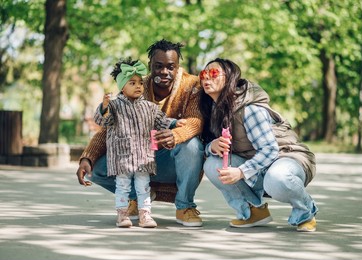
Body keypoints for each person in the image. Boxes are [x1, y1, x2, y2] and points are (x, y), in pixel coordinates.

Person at [76, 39, 205, 227]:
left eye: (170, 67)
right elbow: (112, 126)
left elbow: (195, 120)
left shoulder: (192, 85)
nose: (164, 72)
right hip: (138, 157)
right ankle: (137, 196)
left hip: (172, 158)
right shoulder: (137, 85)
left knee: (193, 146)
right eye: (158, 66)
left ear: (178, 67)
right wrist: (87, 157)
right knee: (95, 168)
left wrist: (176, 135)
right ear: (150, 66)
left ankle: (185, 206)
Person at [198, 58, 318, 232]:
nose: (207, 77)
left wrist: (240, 172)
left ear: (229, 77)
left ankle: (305, 212)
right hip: (257, 164)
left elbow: (270, 150)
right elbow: (209, 147)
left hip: (286, 157)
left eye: (214, 73)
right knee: (212, 164)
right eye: (203, 74)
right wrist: (212, 146)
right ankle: (253, 211)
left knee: (277, 178)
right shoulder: (213, 110)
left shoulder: (249, 109)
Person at [94, 58, 184, 228]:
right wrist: (104, 107)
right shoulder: (114, 106)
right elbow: (102, 121)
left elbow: (161, 121)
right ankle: (122, 215)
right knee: (123, 187)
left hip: (144, 157)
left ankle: (145, 215)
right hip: (122, 157)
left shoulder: (149, 107)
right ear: (122, 86)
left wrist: (175, 123)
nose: (138, 86)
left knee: (144, 187)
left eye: (140, 83)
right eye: (132, 83)